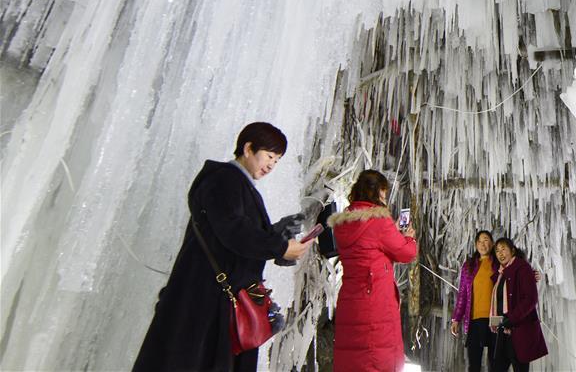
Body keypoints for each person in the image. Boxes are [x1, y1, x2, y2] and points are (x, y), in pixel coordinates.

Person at [133, 122, 312, 372]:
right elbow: (233, 231)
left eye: (277, 160)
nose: (272, 165)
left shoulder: (237, 183)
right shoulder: (224, 179)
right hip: (207, 301)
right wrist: (278, 247)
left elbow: (233, 232)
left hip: (217, 300)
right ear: (248, 148)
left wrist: (276, 234)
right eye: (269, 156)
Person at [328, 170, 418, 372]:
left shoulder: (342, 224)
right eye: (383, 196)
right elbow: (405, 253)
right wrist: (409, 237)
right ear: (376, 193)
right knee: (377, 356)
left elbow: (368, 244)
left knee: (353, 357)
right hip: (375, 300)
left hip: (351, 301)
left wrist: (390, 231)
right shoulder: (380, 221)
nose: (384, 202)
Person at [490, 238, 548, 372]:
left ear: (512, 250)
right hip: (502, 331)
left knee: (520, 368)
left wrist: (511, 318)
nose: (500, 253)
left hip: (518, 331)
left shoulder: (522, 268)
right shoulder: (500, 274)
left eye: (503, 249)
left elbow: (530, 299)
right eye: (497, 251)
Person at [451, 230, 500, 372]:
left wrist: (531, 275)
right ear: (475, 244)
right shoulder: (468, 266)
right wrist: (456, 318)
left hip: (495, 318)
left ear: (491, 243)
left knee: (495, 362)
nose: (483, 244)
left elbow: (515, 275)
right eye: (479, 241)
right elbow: (463, 296)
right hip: (474, 318)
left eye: (486, 240)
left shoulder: (498, 263)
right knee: (474, 363)